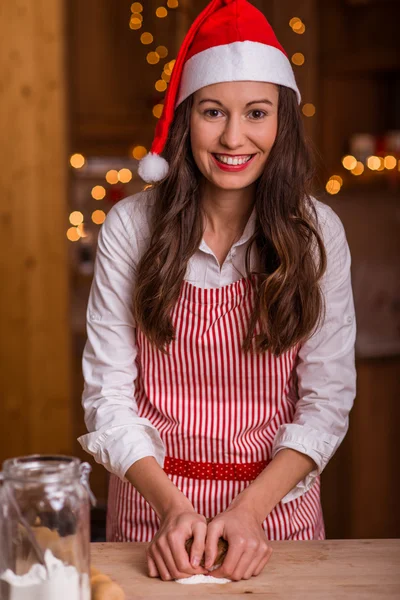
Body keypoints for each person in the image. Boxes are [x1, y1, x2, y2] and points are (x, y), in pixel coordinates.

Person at [78, 0, 356, 583]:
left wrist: (250, 511)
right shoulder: (131, 228)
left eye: (257, 112)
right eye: (213, 112)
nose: (235, 136)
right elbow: (108, 395)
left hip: (277, 523)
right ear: (185, 119)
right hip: (153, 522)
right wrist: (174, 508)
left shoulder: (317, 233)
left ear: (282, 121)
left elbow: (326, 402)